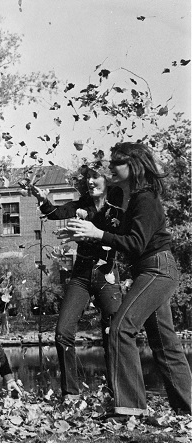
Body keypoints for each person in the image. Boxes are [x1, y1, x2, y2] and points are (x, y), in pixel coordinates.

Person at [70, 142, 192, 417]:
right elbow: (120, 239)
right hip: (149, 271)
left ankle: (131, 408)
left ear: (133, 166)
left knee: (121, 329)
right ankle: (188, 410)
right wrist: (87, 234)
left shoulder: (145, 198)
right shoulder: (128, 199)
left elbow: (135, 244)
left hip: (157, 270)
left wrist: (97, 234)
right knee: (165, 344)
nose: (110, 167)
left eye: (116, 163)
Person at [26, 160, 124, 401]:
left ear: (107, 179)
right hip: (80, 273)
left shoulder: (118, 206)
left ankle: (117, 393)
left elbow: (118, 234)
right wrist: (42, 198)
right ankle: (70, 393)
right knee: (63, 332)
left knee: (113, 333)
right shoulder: (82, 204)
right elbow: (54, 213)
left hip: (106, 273)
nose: (90, 182)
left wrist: (88, 223)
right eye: (87, 178)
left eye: (95, 177)